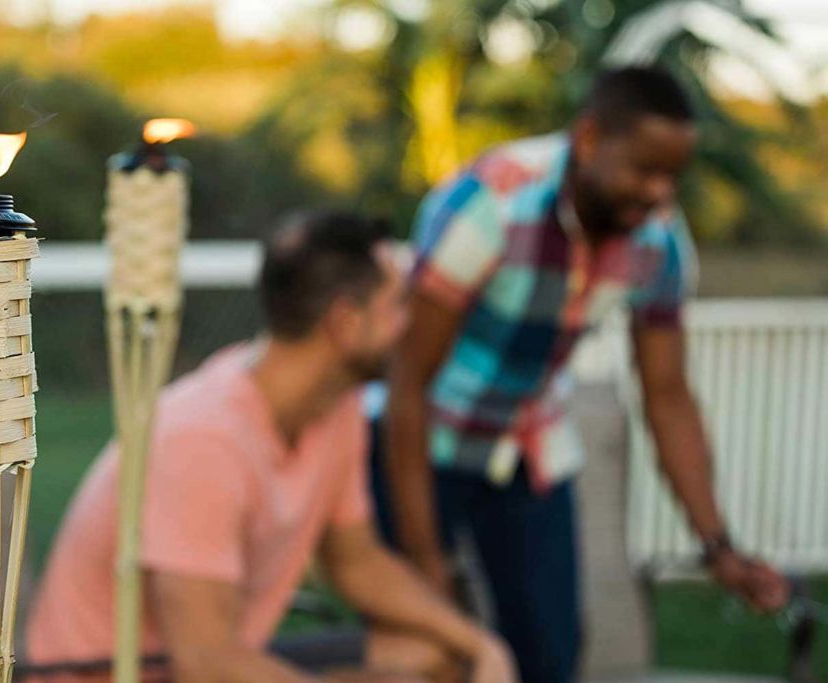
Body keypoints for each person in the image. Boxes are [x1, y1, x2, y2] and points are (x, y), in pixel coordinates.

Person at [377, 66, 790, 683]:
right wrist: (425, 562)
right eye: (644, 170)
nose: (658, 194)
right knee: (425, 652)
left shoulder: (659, 243)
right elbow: (406, 385)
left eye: (672, 176)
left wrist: (718, 547)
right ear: (590, 140)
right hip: (424, 439)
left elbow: (668, 396)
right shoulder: (490, 204)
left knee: (551, 653)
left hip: (528, 445)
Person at [26, 211, 515, 683]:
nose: (411, 324)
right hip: (120, 673)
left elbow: (356, 561)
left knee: (434, 657)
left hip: (210, 658)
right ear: (345, 322)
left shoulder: (337, 407)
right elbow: (206, 666)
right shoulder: (204, 440)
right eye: (397, 305)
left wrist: (479, 643)